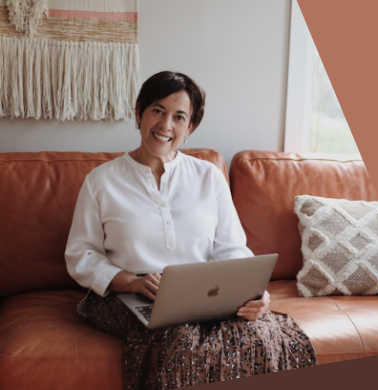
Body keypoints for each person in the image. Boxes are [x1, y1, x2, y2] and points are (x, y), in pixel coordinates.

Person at [65, 71, 315, 390]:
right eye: (157, 110)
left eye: (179, 117)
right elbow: (81, 255)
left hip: (202, 296)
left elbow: (232, 248)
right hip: (125, 295)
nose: (166, 125)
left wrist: (254, 293)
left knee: (256, 334)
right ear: (139, 112)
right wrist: (132, 282)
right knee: (180, 337)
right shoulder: (102, 181)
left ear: (190, 126)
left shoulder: (207, 177)